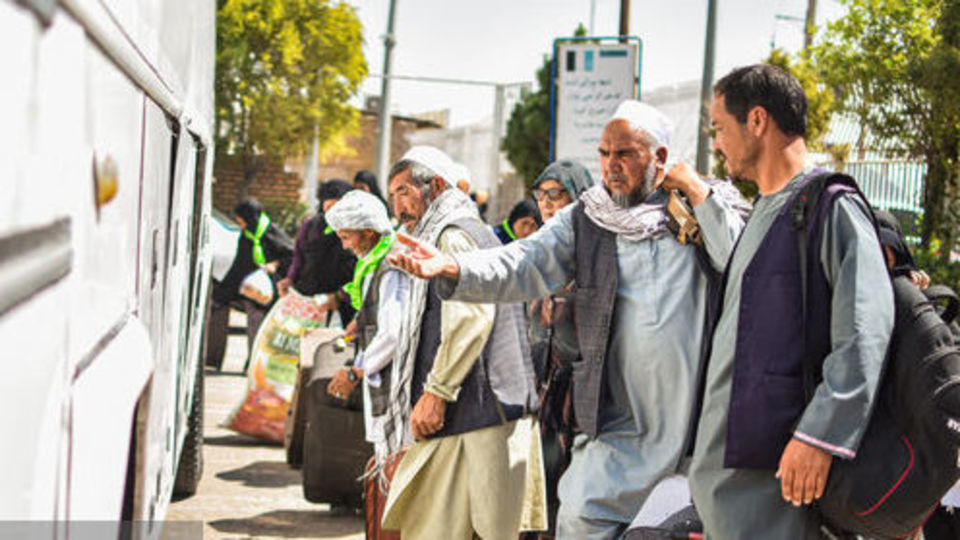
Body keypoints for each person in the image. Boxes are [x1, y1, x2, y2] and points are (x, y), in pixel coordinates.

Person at [389, 102, 749, 538]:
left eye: (624, 155)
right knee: (580, 514)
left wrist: (696, 190)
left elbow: (742, 262)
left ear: (660, 158)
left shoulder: (697, 206)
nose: (611, 167)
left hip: (701, 420)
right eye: (604, 154)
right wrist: (454, 269)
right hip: (624, 421)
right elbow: (524, 261)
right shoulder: (589, 218)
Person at [687, 64, 894, 538]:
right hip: (730, 482)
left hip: (781, 478)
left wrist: (819, 435)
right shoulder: (763, 209)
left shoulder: (829, 205)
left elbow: (866, 328)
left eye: (719, 128)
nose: (715, 143)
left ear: (756, 121)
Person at [379, 145, 544, 539]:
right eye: (393, 196)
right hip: (475, 415)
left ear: (435, 186)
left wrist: (436, 392)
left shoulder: (453, 234)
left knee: (466, 528)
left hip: (478, 415)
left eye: (404, 191)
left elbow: (470, 317)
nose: (398, 207)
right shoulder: (462, 229)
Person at [526, 159, 595, 537]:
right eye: (542, 196)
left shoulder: (597, 257)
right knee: (537, 498)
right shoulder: (534, 253)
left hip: (582, 405)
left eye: (558, 195)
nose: (549, 204)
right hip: (539, 399)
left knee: (575, 502)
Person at [213, 198, 294, 369]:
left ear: (249, 217)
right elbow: (239, 265)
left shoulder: (271, 232)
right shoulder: (247, 235)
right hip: (255, 291)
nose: (238, 222)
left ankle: (263, 365)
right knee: (254, 323)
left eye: (240, 219)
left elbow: (291, 255)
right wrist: (223, 292)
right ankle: (253, 363)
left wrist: (275, 264)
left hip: (274, 289)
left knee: (269, 329)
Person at [276, 179, 357, 325]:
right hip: (309, 299)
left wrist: (341, 296)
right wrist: (290, 279)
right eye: (328, 207)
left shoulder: (357, 230)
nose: (333, 212)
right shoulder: (310, 226)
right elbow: (299, 257)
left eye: (337, 207)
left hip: (340, 305)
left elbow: (360, 270)